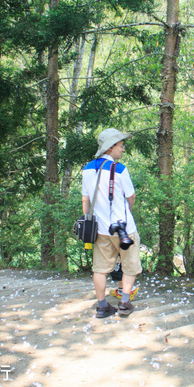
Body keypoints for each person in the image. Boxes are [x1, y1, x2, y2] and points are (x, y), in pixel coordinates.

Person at [82, 128, 142, 318]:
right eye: (121, 146)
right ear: (110, 147)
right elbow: (131, 197)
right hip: (124, 228)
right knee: (130, 265)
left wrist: (88, 220)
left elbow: (86, 199)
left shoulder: (87, 169)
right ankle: (124, 303)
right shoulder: (120, 169)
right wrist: (128, 211)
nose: (123, 149)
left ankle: (102, 306)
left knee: (100, 269)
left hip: (100, 229)